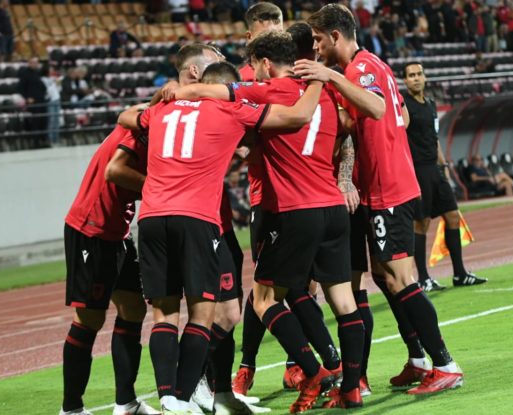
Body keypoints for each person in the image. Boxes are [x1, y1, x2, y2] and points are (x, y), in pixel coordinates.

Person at [171, 30, 364, 412]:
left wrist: (181, 91)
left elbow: (218, 92)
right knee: (344, 301)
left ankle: (313, 372)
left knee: (262, 300)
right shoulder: (326, 92)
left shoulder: (269, 90)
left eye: (255, 66)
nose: (254, 74)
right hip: (333, 208)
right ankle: (352, 389)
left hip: (294, 210)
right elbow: (349, 128)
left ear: (264, 63)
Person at [118, 58, 324, 414]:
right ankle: (183, 396)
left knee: (164, 315)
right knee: (203, 315)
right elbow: (297, 116)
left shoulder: (163, 109)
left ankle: (168, 397)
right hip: (196, 217)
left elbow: (125, 117)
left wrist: (162, 96)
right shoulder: (231, 110)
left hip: (150, 217)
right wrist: (320, 80)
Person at [296, 3, 464, 401]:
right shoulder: (374, 64)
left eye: (318, 40)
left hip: (389, 188)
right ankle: (419, 359)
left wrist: (330, 78)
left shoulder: (359, 70)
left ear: (335, 36)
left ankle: (445, 365)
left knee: (402, 278)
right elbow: (397, 117)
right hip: (384, 184)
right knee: (385, 276)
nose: (316, 48)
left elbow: (378, 108)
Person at [229, 14, 346, 399]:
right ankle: (259, 365)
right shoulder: (307, 85)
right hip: (276, 198)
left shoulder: (275, 84)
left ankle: (307, 366)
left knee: (278, 290)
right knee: (283, 287)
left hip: (288, 202)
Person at [60, 121, 159, 415]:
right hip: (92, 229)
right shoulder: (142, 130)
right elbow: (114, 171)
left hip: (118, 232)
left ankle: (126, 404)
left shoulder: (146, 126)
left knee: (133, 309)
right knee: (89, 318)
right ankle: (71, 409)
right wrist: (159, 186)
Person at [402, 62, 487, 291]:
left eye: (419, 74)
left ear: (425, 77)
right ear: (405, 81)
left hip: (435, 169)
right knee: (421, 223)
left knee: (452, 216)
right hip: (417, 170)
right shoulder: (404, 106)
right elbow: (399, 138)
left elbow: (434, 138)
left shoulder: (431, 105)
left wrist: (445, 165)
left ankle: (460, 274)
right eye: (411, 75)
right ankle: (423, 278)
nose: (416, 78)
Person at [17, 58, 47, 147]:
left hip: (41, 100)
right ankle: (35, 142)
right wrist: (27, 98)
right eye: (33, 62)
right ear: (29, 63)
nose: (35, 64)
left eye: (36, 63)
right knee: (35, 121)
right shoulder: (25, 74)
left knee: (43, 120)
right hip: (33, 101)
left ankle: (43, 140)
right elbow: (20, 88)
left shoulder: (38, 73)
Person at [42, 66, 61, 147]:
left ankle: (56, 139)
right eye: (50, 70)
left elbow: (59, 90)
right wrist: (54, 84)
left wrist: (58, 85)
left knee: (57, 120)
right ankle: (50, 140)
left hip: (57, 99)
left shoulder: (54, 79)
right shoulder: (43, 79)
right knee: (51, 120)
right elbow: (47, 90)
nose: (52, 72)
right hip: (50, 100)